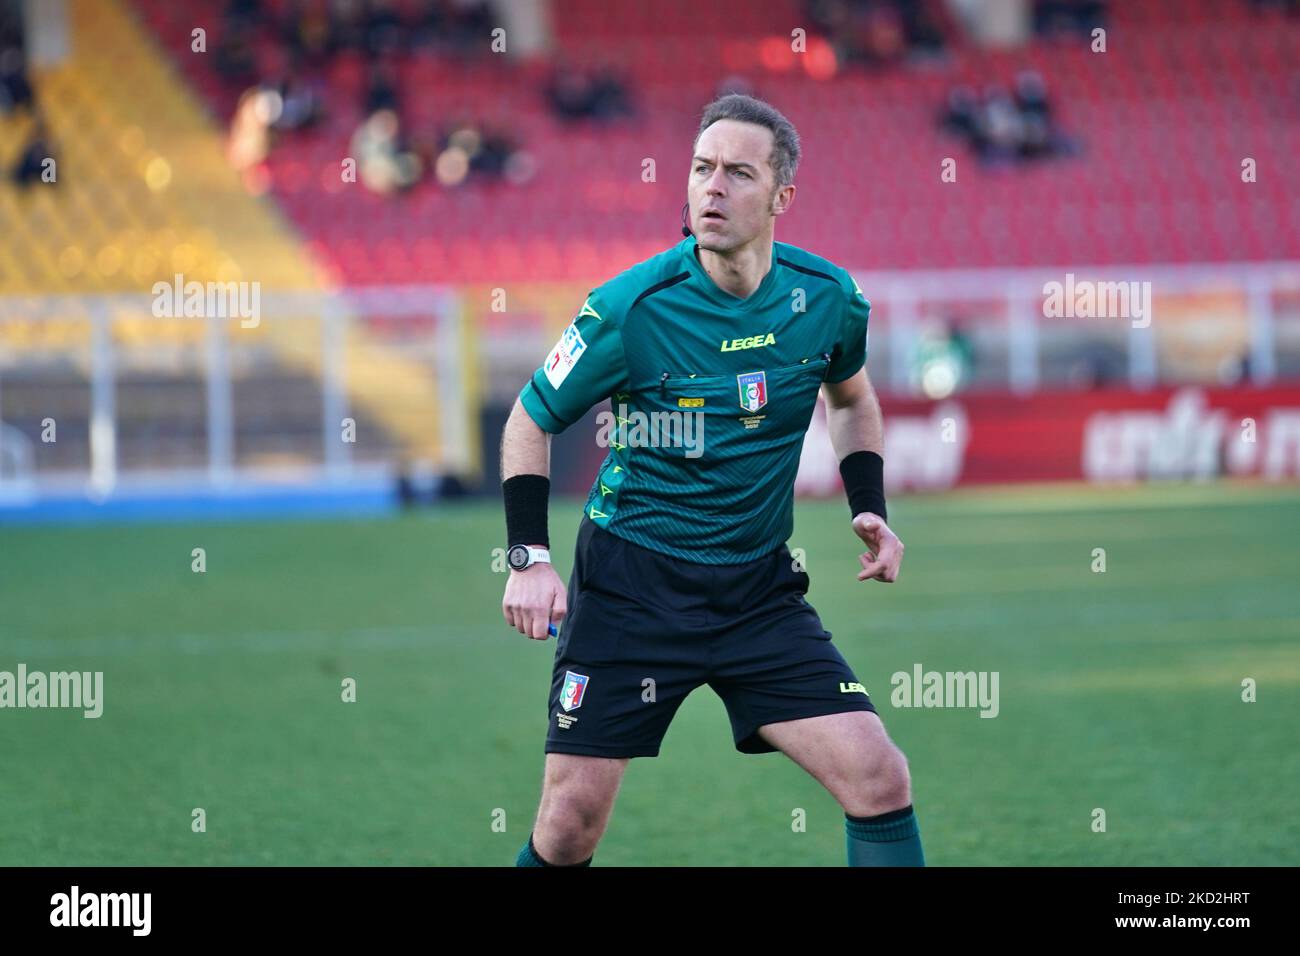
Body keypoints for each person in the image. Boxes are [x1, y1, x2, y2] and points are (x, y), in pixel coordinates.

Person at [499, 94, 923, 867]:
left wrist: (871, 507)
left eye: (737, 172)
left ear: (781, 198)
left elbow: (853, 398)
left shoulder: (826, 299)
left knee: (878, 776)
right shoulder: (630, 307)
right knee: (569, 824)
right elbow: (529, 421)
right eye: (701, 169)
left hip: (757, 593)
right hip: (631, 586)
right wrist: (528, 557)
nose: (712, 188)